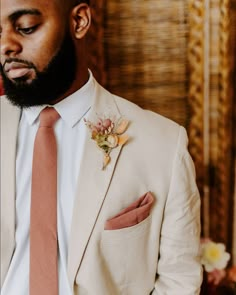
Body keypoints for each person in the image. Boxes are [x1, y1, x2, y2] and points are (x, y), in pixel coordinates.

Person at [0, 0, 203, 294]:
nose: (6, 45)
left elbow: (179, 278)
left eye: (26, 28)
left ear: (79, 21)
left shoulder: (164, 144)